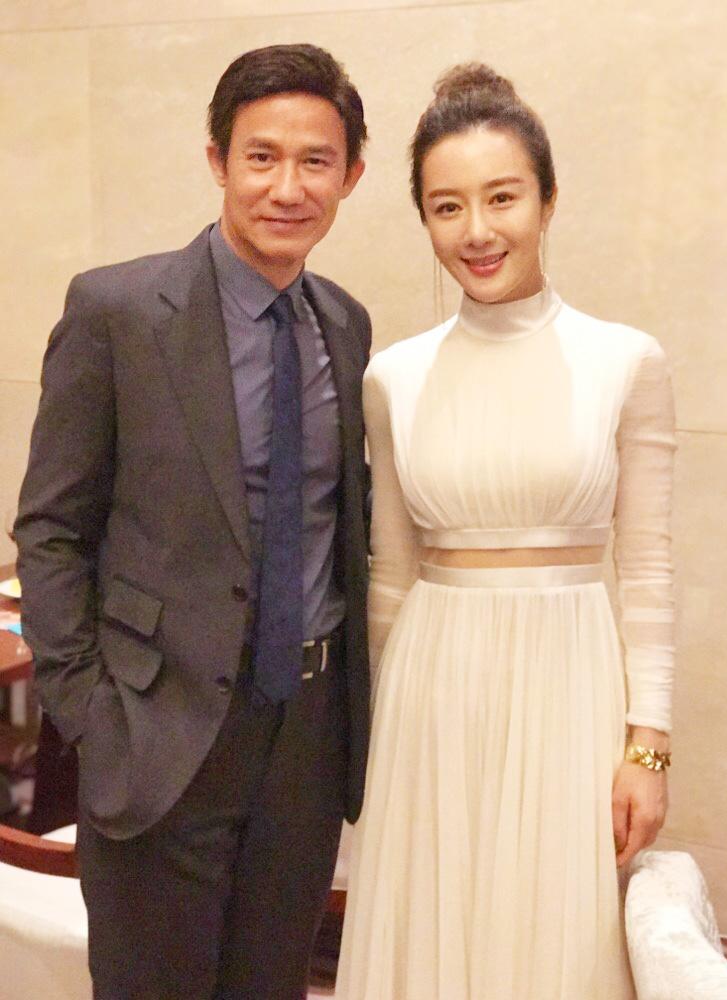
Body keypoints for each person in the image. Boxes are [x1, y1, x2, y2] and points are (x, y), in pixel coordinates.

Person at [15, 43, 371, 1000]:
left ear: (351, 174)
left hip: (305, 735)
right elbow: (50, 529)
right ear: (218, 160)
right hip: (158, 731)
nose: (287, 187)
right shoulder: (118, 311)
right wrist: (93, 715)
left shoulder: (344, 324)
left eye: (316, 160)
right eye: (262, 156)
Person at [336, 64, 676, 1000]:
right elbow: (390, 575)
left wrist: (648, 747)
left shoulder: (626, 361)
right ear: (424, 219)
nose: (477, 231)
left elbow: (648, 570)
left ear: (548, 200)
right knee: (430, 934)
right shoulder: (393, 377)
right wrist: (369, 745)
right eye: (447, 207)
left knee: (554, 942)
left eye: (502, 198)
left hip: (573, 687)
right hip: (431, 692)